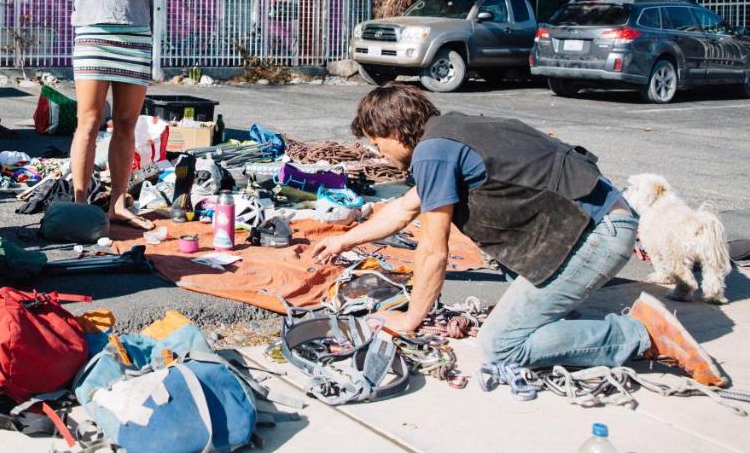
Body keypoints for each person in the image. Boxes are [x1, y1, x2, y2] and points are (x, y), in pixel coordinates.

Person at [311, 83, 728, 387]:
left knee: (501, 347)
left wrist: (411, 318)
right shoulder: (454, 131)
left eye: (377, 143)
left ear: (396, 131)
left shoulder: (432, 153)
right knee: (523, 312)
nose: (378, 153)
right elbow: (404, 209)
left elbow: (433, 251)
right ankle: (566, 322)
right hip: (595, 220)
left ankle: (640, 334)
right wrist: (343, 240)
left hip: (594, 234)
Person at [56, 0, 166, 230]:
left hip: (135, 33)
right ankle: (81, 203)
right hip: (94, 31)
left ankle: (118, 204)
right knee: (88, 121)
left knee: (126, 123)